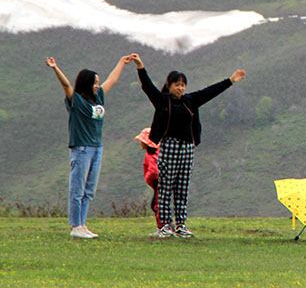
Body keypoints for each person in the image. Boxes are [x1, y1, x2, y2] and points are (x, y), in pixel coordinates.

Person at [130, 53, 245, 238]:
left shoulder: (190, 100)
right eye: (177, 85)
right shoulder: (162, 101)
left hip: (187, 149)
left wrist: (231, 80)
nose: (181, 88)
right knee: (165, 186)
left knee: (183, 187)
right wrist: (140, 66)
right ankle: (165, 226)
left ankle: (181, 225)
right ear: (169, 85)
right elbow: (147, 86)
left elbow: (210, 91)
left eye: (183, 85)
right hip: (169, 147)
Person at [45, 55, 132, 239]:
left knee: (89, 190)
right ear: (86, 83)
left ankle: (83, 224)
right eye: (94, 82)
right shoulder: (76, 101)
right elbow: (66, 86)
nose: (97, 85)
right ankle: (75, 226)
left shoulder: (98, 96)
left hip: (97, 148)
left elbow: (112, 80)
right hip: (82, 148)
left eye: (97, 82)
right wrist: (55, 68)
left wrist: (121, 63)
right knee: (77, 189)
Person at [134, 127, 164, 235]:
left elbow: (153, 171)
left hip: (157, 182)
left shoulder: (151, 155)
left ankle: (163, 227)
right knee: (159, 204)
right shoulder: (159, 152)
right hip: (162, 181)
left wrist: (148, 178)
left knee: (157, 205)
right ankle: (167, 225)